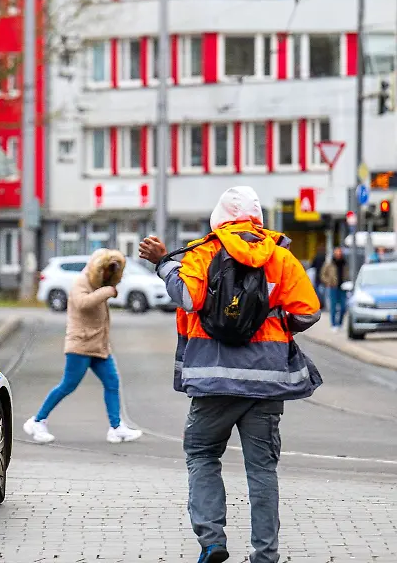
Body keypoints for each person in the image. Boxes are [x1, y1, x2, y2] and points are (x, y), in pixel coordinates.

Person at [138, 186, 321, 563]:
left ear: (219, 218)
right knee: (262, 469)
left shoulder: (203, 252)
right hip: (267, 382)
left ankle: (212, 541)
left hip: (213, 379)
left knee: (202, 453)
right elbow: (308, 312)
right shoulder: (280, 257)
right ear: (258, 219)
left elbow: (188, 298)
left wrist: (163, 263)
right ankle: (265, 554)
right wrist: (275, 323)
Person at [23, 248, 143, 446]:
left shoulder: (100, 283)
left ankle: (116, 427)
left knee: (112, 382)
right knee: (68, 385)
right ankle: (37, 421)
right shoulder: (82, 282)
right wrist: (106, 292)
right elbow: (82, 303)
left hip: (99, 346)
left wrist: (106, 288)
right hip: (80, 345)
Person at [318, 246, 348, 331]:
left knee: (343, 307)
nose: (338, 254)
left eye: (340, 252)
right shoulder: (329, 264)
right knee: (333, 307)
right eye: (337, 252)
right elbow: (322, 275)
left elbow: (347, 274)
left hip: (343, 287)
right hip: (333, 287)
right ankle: (334, 324)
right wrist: (328, 282)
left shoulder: (344, 263)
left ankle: (340, 323)